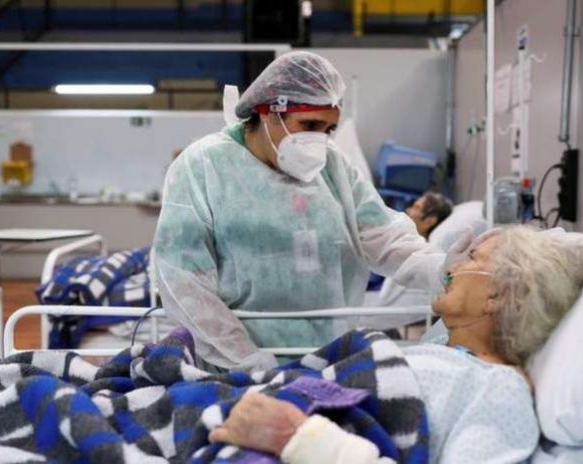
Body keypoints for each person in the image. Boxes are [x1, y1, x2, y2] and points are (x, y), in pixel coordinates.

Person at [154, 51, 455, 373]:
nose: (318, 141)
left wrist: (444, 268)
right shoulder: (204, 166)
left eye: (328, 130)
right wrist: (246, 361)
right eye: (309, 124)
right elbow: (184, 281)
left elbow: (385, 239)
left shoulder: (333, 167)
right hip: (232, 366)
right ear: (269, 112)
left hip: (326, 356)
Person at [208, 226, 583, 463]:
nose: (454, 267)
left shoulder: (498, 391)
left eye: (472, 258)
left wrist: (295, 438)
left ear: (497, 294)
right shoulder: (436, 349)